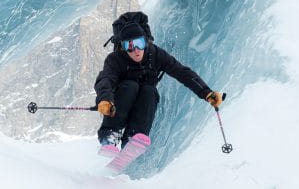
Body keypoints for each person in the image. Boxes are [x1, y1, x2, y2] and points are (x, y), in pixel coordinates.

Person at [93, 12, 223, 153]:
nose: (135, 50)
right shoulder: (115, 59)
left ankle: (133, 137)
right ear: (122, 47)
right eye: (129, 46)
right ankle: (110, 134)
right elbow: (105, 80)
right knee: (130, 86)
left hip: (143, 103)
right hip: (119, 103)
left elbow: (182, 72)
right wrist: (104, 99)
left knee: (150, 91)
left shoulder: (155, 54)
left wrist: (206, 92)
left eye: (139, 44)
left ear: (145, 41)